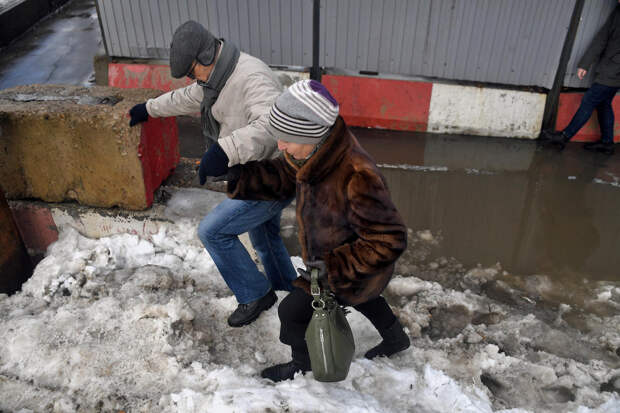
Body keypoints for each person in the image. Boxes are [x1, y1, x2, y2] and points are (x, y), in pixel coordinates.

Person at [205, 80, 411, 382]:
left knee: (292, 312)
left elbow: (390, 239)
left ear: (309, 133)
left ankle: (303, 365)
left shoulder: (357, 175)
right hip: (348, 268)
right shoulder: (315, 152)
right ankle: (396, 338)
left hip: (347, 267)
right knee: (366, 297)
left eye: (286, 139)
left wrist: (334, 268)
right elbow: (283, 175)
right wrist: (235, 174)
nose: (281, 146)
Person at [128, 20, 297, 327]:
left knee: (213, 232)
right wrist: (147, 109)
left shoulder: (252, 76)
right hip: (255, 172)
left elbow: (271, 128)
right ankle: (290, 291)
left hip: (271, 177)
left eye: (192, 71)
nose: (193, 79)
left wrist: (224, 151)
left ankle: (256, 294)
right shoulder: (215, 79)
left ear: (207, 55)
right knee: (265, 237)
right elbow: (186, 97)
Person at [542, 3, 620, 155]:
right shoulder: (618, 11)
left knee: (589, 100)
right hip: (610, 66)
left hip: (615, 70)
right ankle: (607, 143)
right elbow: (602, 37)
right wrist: (585, 63)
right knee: (604, 104)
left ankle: (564, 136)